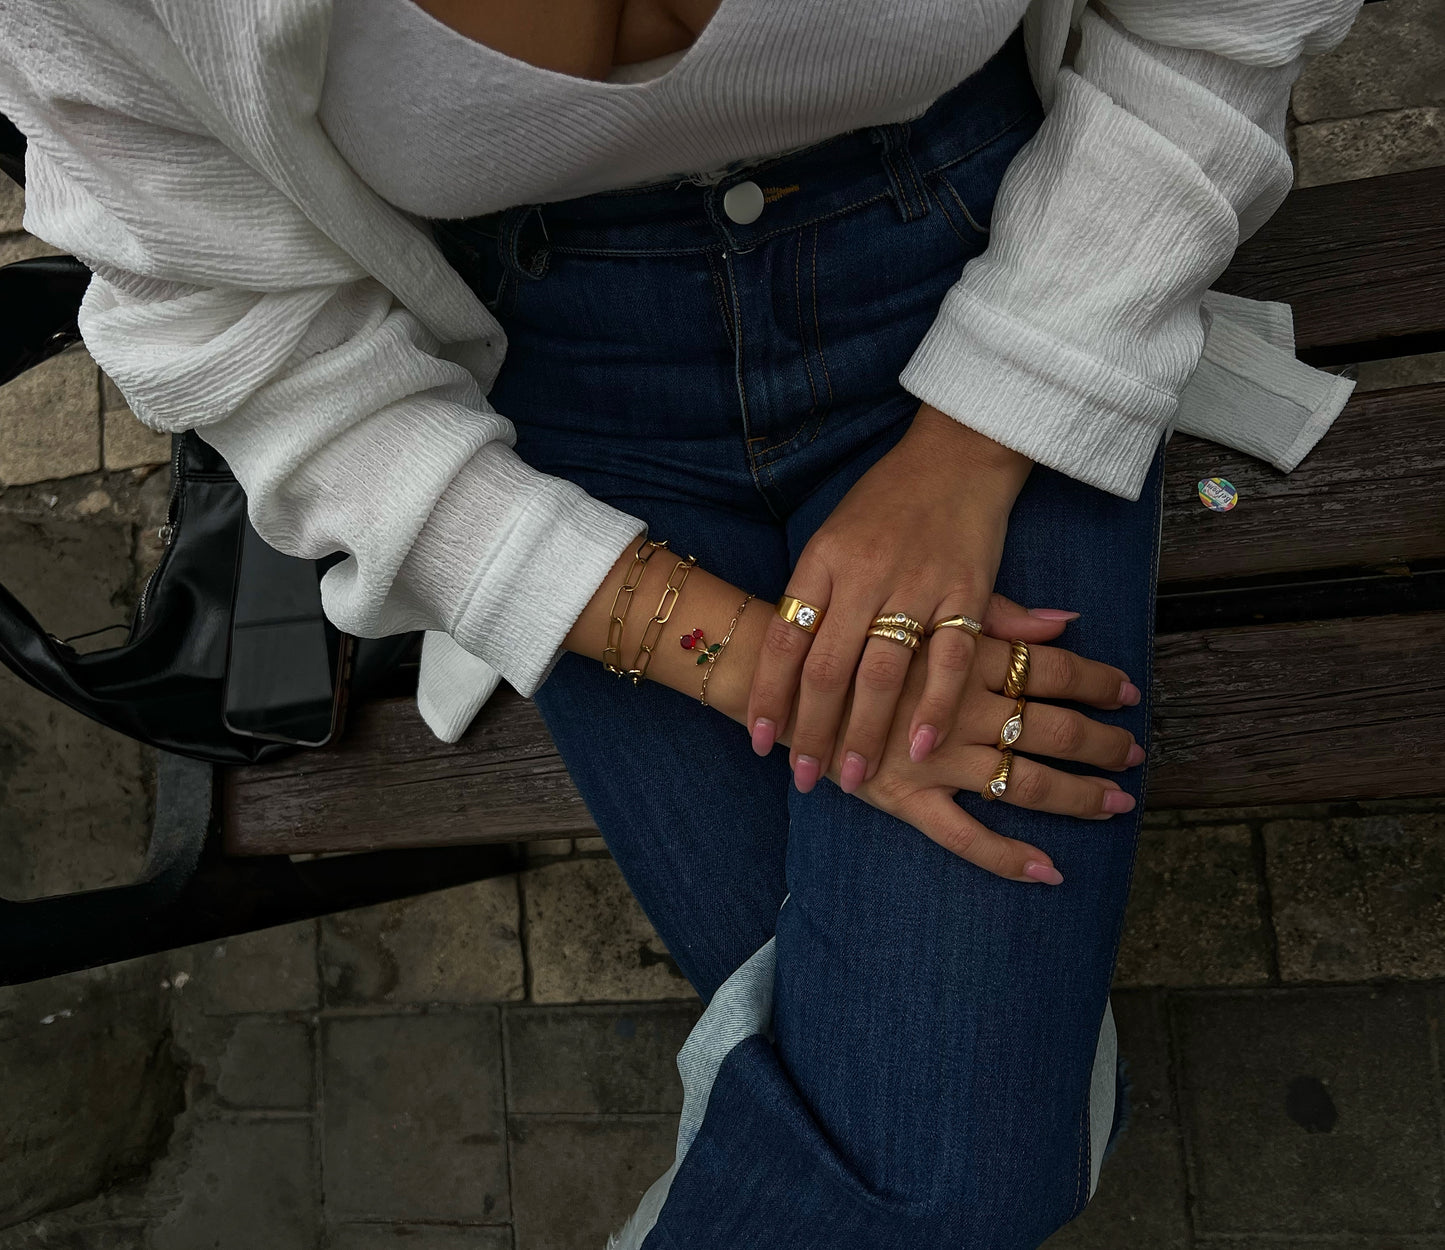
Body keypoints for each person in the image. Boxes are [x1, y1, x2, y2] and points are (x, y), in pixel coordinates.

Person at [0, 1, 1361, 1244]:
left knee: (945, 1138)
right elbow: (237, 326)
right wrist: (764, 660)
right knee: (958, 1146)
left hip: (1003, 266)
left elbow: (1219, 21)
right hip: (565, 411)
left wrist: (978, 437)